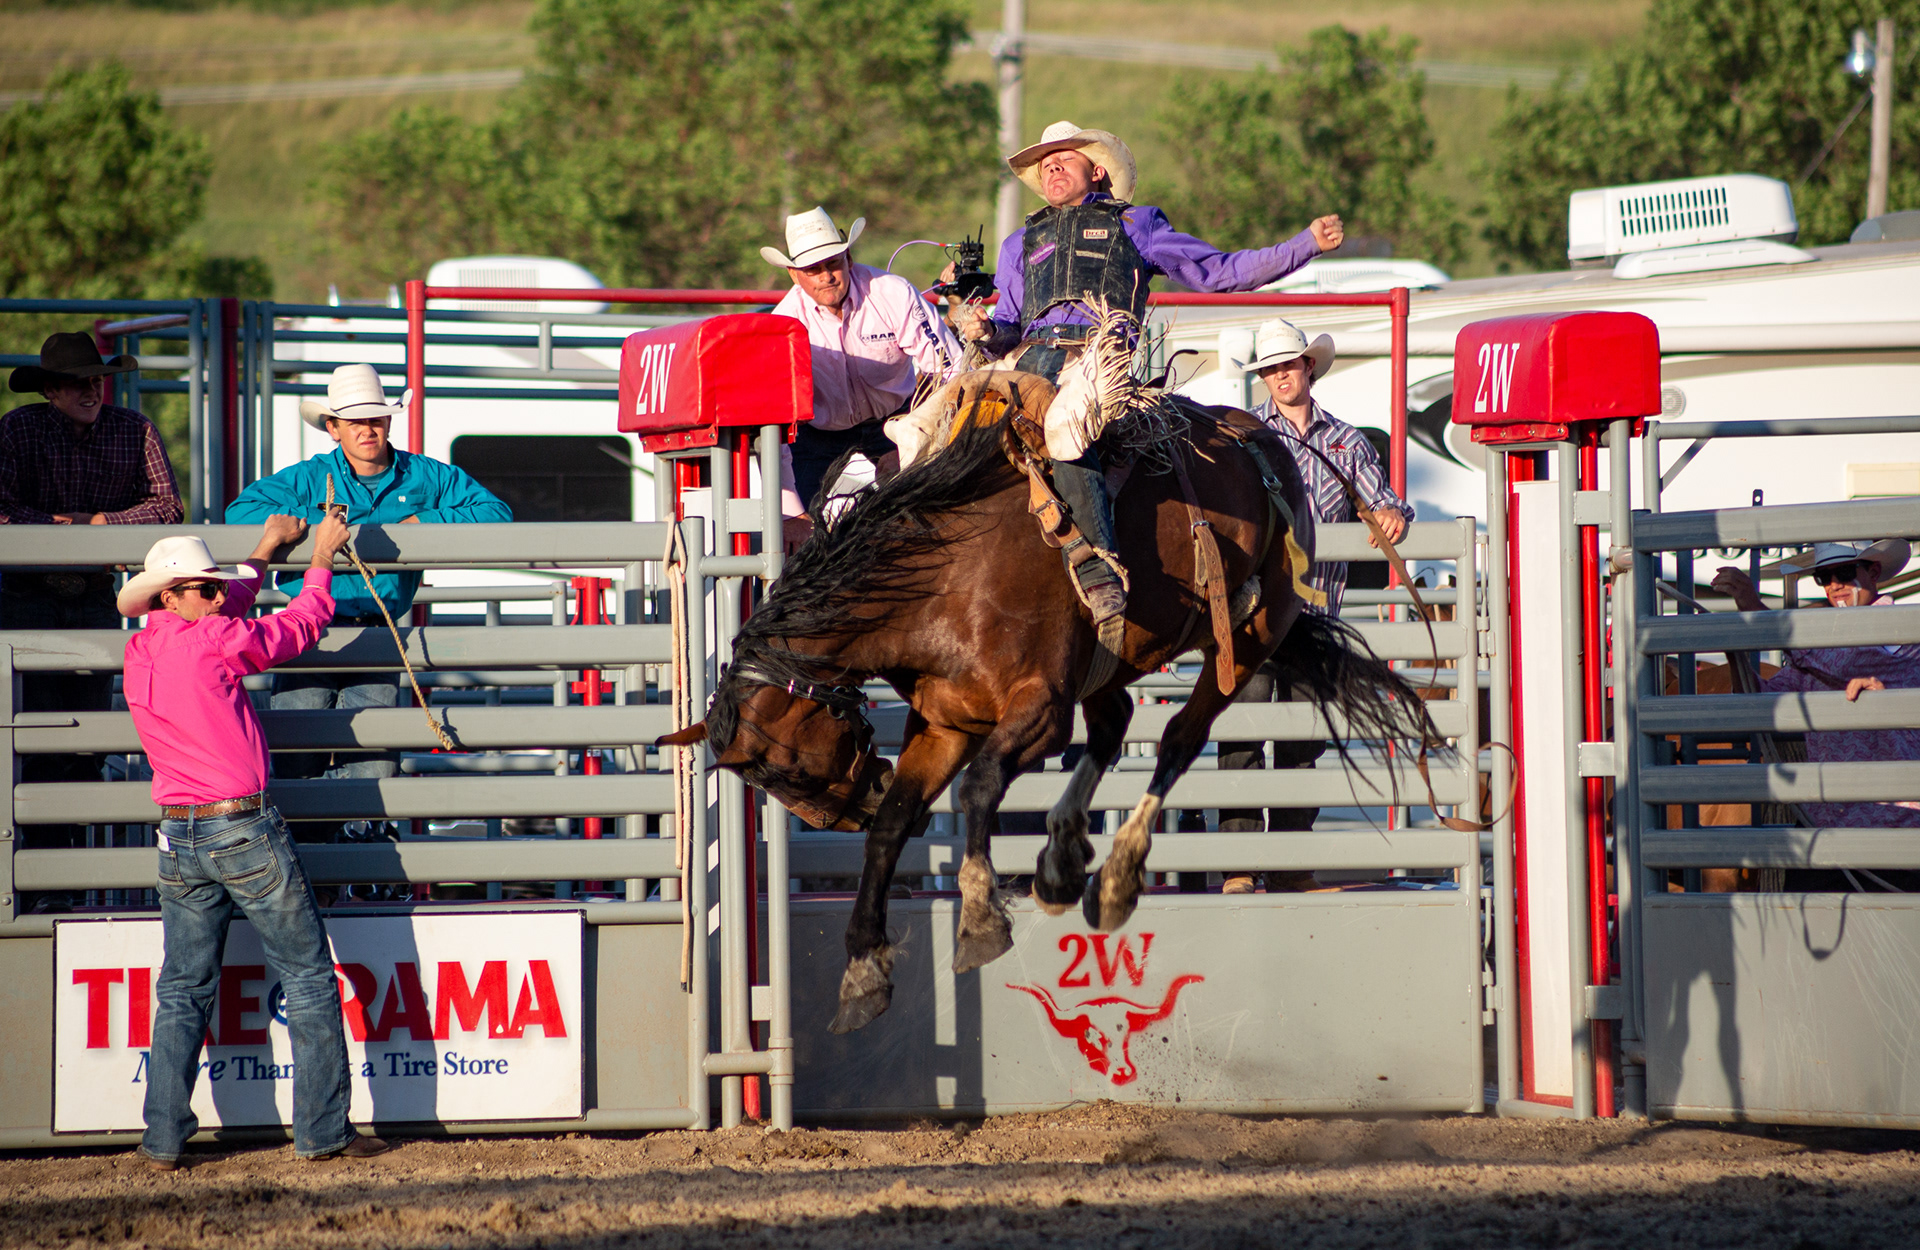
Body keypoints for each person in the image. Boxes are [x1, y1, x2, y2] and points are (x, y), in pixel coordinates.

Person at [950, 121, 1345, 623]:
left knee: (1067, 423)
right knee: (943, 417)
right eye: (1043, 161)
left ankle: (1097, 564)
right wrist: (985, 328)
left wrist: (1303, 244)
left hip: (1097, 360)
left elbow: (1219, 272)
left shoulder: (1137, 224)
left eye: (1062, 157)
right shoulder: (1019, 244)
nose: (1050, 165)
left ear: (1096, 171)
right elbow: (1009, 320)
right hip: (1025, 360)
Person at [121, 513, 387, 1168]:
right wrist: (320, 559)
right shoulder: (213, 640)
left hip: (180, 832)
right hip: (241, 825)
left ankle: (162, 1137)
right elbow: (294, 629)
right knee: (307, 974)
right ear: (173, 596)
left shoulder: (145, 646)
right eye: (204, 588)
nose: (217, 594)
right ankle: (323, 1132)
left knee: (184, 986)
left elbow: (223, 613)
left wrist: (264, 553)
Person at [224, 364, 511, 844]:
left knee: (373, 760)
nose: (366, 429)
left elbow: (496, 514)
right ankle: (317, 863)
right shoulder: (310, 478)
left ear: (389, 422)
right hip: (307, 635)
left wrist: (423, 523)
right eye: (354, 420)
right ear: (333, 428)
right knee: (299, 752)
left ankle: (352, 867)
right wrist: (310, 528)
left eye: (375, 418)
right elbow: (242, 513)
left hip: (377, 634)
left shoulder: (425, 476)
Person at [1194, 319, 1415, 894]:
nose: (1279, 376)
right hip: (1250, 616)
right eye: (1269, 369)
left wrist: (1390, 514)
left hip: (1314, 619)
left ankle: (1290, 863)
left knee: (1301, 744)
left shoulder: (1346, 440)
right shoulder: (1240, 437)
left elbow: (1385, 501)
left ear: (1308, 368)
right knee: (1241, 736)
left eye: (1287, 365)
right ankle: (1241, 866)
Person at [0, 331, 185, 909]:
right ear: (52, 390)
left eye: (96, 379)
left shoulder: (136, 428)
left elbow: (168, 507)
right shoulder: (19, 429)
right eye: (78, 381)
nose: (91, 389)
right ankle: (41, 882)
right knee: (34, 740)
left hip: (91, 597)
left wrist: (91, 525)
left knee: (81, 739)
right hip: (29, 596)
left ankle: (62, 885)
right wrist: (82, 529)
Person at [764, 206, 965, 526]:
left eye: (833, 263)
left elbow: (951, 369)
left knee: (935, 515)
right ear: (795, 275)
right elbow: (775, 421)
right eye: (813, 269)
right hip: (816, 436)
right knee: (801, 530)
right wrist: (791, 512)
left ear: (849, 260)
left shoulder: (893, 293)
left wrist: (917, 437)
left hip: (896, 421)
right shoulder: (785, 324)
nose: (827, 276)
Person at [1711, 540, 1920, 837]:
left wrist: (1759, 612)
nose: (1835, 585)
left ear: (1873, 572)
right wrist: (1735, 656)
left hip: (1891, 821)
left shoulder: (1902, 629)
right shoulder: (1819, 649)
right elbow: (1762, 702)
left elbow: (1848, 664)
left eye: (1845, 572)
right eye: (1824, 577)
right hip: (1828, 819)